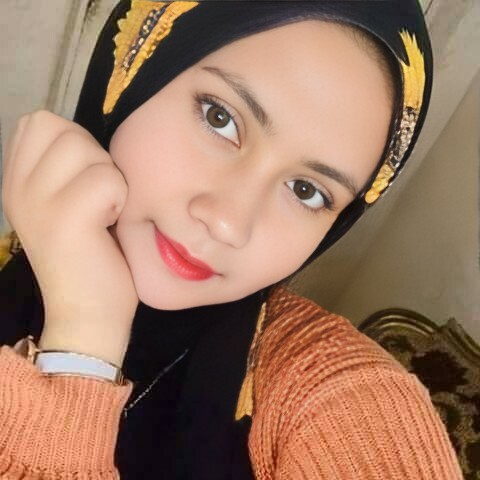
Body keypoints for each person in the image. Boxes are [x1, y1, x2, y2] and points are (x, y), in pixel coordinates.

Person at [0, 1, 464, 478]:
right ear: (133, 75)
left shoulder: (336, 393)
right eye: (219, 117)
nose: (228, 223)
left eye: (306, 191)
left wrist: (83, 339)